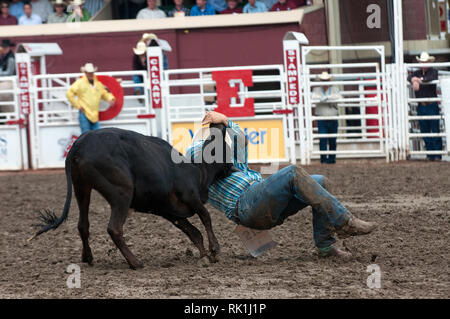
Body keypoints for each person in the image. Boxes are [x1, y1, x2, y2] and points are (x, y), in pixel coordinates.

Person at [186, 111, 377, 258]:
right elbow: (194, 157)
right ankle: (345, 222)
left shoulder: (232, 156)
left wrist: (226, 121)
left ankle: (325, 246)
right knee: (292, 172)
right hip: (244, 205)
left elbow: (240, 138)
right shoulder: (197, 162)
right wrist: (214, 136)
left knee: (320, 181)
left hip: (259, 201)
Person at [407, 52, 442, 161]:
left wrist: (418, 80)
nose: (423, 64)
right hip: (422, 105)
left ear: (429, 62)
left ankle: (437, 154)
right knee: (425, 130)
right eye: (422, 62)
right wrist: (414, 80)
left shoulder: (433, 72)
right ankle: (430, 154)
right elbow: (409, 77)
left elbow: (430, 78)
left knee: (435, 129)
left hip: (431, 105)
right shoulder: (416, 73)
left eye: (425, 62)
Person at [66, 63, 116, 134]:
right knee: (87, 135)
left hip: (94, 114)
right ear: (85, 73)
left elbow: (104, 93)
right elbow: (69, 94)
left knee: (95, 135)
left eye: (91, 73)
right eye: (89, 73)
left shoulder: (97, 84)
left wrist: (110, 98)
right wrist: (78, 106)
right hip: (84, 112)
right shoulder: (80, 83)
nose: (90, 74)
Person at [312, 71, 341, 164]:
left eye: (326, 80)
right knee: (322, 139)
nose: (325, 82)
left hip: (332, 117)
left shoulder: (334, 90)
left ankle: (332, 159)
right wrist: (328, 98)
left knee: (333, 139)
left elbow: (339, 97)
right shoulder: (316, 90)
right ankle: (323, 159)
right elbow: (313, 97)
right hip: (321, 118)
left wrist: (326, 98)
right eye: (323, 80)